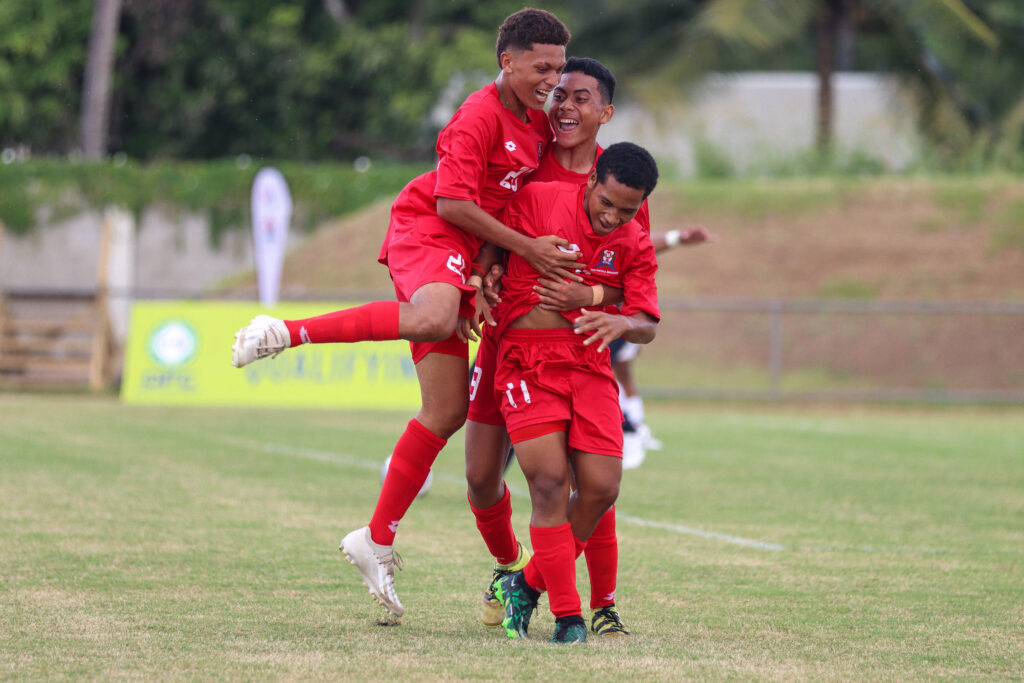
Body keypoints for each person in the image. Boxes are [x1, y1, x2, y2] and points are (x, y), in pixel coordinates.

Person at [230, 8, 577, 620]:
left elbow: (509, 206)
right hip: (429, 229)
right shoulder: (476, 117)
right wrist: (514, 253)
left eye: (559, 67)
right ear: (508, 61)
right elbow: (451, 201)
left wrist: (487, 270)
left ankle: (378, 538)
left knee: (444, 412)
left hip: (467, 255)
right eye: (541, 66)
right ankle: (285, 331)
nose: (552, 78)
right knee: (433, 317)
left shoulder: (541, 125)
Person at [464, 57, 712, 638]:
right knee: (481, 476)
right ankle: (513, 569)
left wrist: (594, 292)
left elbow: (635, 273)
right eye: (560, 95)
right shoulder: (528, 161)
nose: (566, 107)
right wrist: (483, 275)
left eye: (580, 97)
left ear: (605, 113)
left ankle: (590, 606)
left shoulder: (621, 181)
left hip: (581, 352)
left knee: (586, 483)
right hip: (511, 344)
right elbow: (488, 224)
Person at [483, 141, 662, 644]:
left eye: (627, 210)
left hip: (588, 366)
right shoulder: (539, 198)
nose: (613, 218)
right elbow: (491, 231)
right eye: (607, 203)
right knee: (548, 483)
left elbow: (646, 322)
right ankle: (568, 617)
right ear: (590, 183)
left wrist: (612, 311)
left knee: (603, 488)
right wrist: (483, 274)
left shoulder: (633, 240)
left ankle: (527, 583)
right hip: (525, 360)